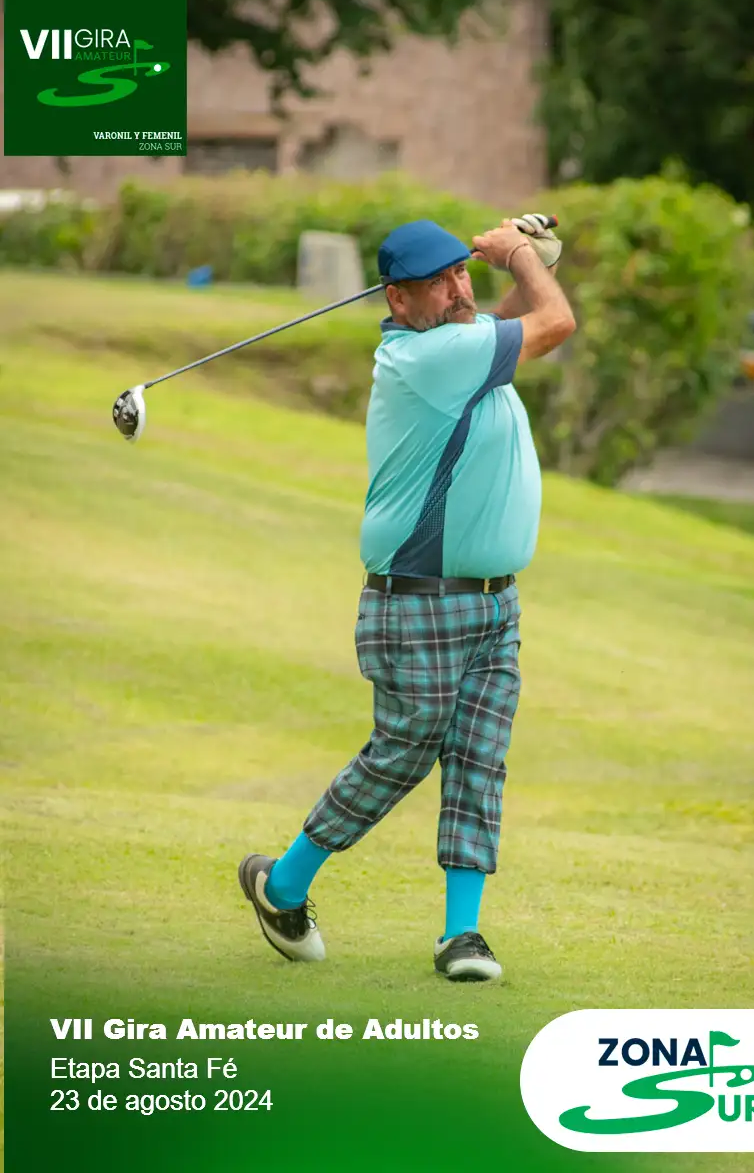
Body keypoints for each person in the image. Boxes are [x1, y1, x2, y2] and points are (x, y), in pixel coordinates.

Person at [239, 215, 576, 981]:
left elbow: (515, 317)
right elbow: (555, 322)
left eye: (462, 273)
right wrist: (521, 257)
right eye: (438, 282)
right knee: (404, 751)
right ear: (397, 299)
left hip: (494, 606)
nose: (459, 290)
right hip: (416, 601)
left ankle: (462, 936)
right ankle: (281, 884)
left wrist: (534, 259)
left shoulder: (458, 341)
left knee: (479, 760)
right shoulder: (428, 359)